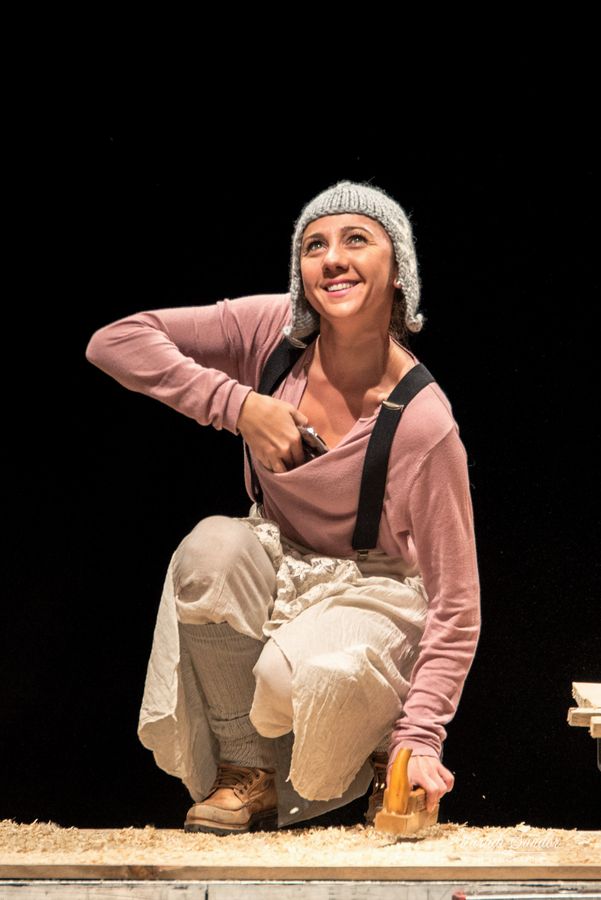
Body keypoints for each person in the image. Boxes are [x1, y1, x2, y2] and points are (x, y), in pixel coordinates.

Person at [85, 179, 481, 835]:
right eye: (313, 245)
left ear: (398, 273)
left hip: (375, 589)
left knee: (288, 681)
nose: (333, 258)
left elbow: (457, 601)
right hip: (279, 561)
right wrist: (239, 405)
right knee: (209, 551)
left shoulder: (422, 422)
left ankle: (381, 742)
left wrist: (422, 734)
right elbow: (115, 341)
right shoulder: (273, 336)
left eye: (357, 240)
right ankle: (248, 769)